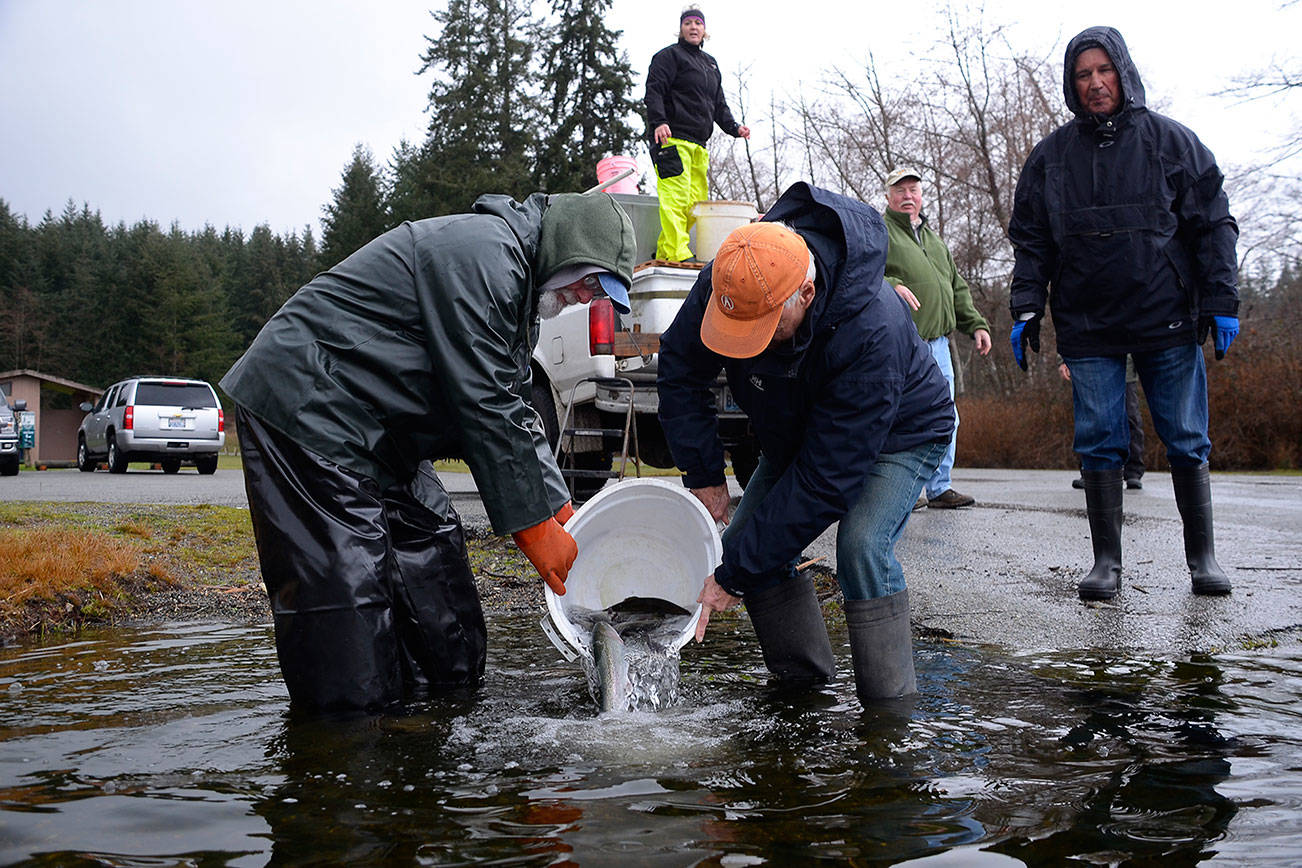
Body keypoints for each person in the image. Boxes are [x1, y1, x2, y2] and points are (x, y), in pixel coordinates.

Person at [221, 192, 636, 712]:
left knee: (443, 602)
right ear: (565, 249)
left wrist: (562, 514)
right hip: (310, 408)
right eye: (590, 282)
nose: (587, 298)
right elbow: (484, 405)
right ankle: (347, 752)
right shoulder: (485, 253)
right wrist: (533, 531)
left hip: (385, 439)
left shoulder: (521, 293)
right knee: (348, 612)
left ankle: (436, 725)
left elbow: (515, 410)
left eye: (602, 293)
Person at [657, 183, 955, 701]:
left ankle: (889, 706)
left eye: (764, 327)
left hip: (902, 432)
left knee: (860, 546)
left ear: (807, 295)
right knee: (748, 546)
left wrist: (735, 576)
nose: (749, 340)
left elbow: (826, 481)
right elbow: (681, 369)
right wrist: (703, 474)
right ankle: (804, 684)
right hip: (798, 428)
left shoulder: (871, 328)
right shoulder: (734, 274)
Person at [1008, 26, 1240, 601]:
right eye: (1083, 74)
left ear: (1124, 72)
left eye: (1103, 70)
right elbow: (1032, 240)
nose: (1094, 83)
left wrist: (1221, 300)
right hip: (1089, 324)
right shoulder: (1051, 158)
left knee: (1186, 437)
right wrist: (1025, 306)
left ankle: (1202, 558)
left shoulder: (1171, 143)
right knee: (1098, 441)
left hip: (1167, 316)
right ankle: (1107, 562)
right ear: (1072, 84)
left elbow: (1213, 223)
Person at [880, 166, 992, 511]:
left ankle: (940, 487)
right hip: (902, 344)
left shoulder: (934, 239)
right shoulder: (880, 233)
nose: (907, 196)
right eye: (900, 191)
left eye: (913, 190)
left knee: (947, 416)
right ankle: (903, 491)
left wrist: (976, 324)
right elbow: (863, 274)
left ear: (921, 196)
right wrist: (891, 286)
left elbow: (956, 287)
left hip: (940, 345)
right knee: (901, 416)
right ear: (888, 197)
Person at [644, 6, 750, 263]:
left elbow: (718, 105)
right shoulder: (668, 57)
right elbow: (654, 91)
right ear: (680, 28)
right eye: (688, 23)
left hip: (699, 145)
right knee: (676, 200)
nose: (693, 27)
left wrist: (734, 128)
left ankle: (666, 251)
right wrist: (659, 122)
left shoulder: (710, 65)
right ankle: (678, 254)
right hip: (671, 139)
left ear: (705, 31)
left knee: (695, 205)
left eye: (698, 24)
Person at [1064, 358, 1144, 490]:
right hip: (1094, 363)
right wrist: (1064, 360)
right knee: (1093, 416)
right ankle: (1091, 471)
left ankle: (1133, 472)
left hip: (1127, 367)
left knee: (1131, 416)